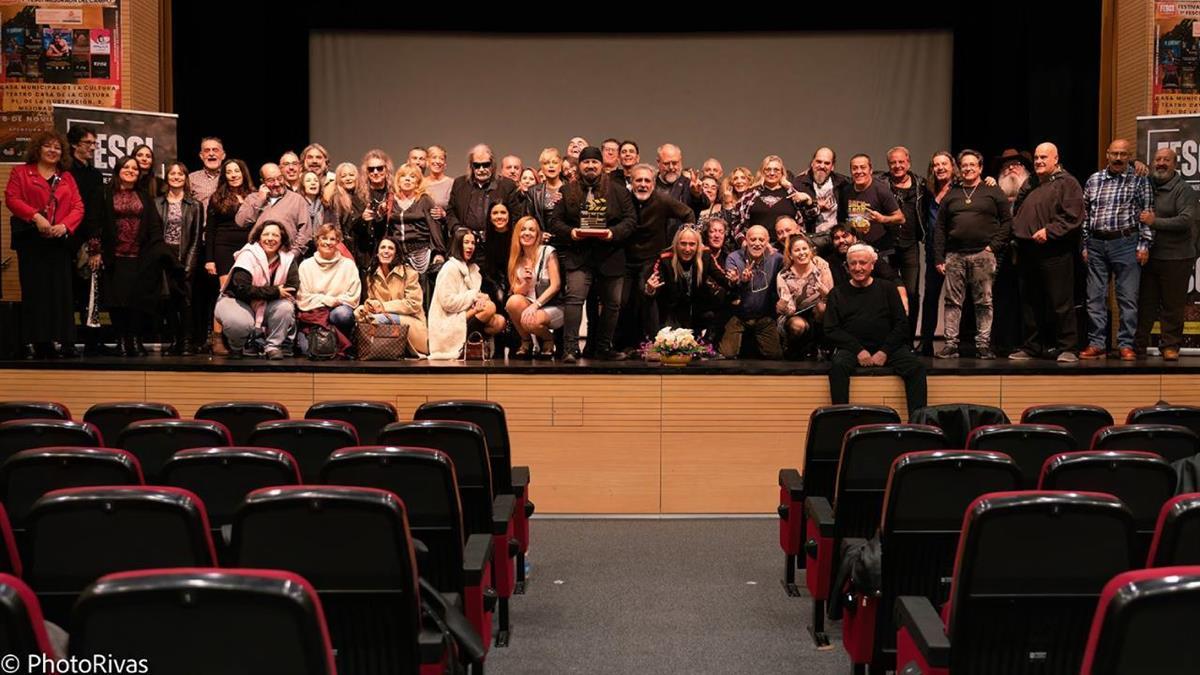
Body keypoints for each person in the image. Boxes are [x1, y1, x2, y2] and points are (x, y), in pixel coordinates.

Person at [549, 146, 637, 361]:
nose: (590, 166)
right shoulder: (568, 191)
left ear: (601, 165)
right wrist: (571, 232)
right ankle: (570, 349)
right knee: (574, 300)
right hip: (579, 257)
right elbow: (555, 222)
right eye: (586, 162)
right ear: (579, 166)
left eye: (594, 162)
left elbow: (631, 220)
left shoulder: (619, 191)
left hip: (611, 256)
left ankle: (603, 348)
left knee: (612, 304)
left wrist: (612, 233)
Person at [5, 130, 84, 358]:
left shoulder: (66, 177)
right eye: (48, 146)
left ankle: (65, 340)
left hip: (58, 242)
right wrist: (36, 217)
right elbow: (12, 198)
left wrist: (65, 226)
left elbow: (78, 207)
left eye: (57, 147)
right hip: (32, 242)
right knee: (36, 292)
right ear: (38, 149)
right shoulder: (21, 172)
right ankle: (41, 342)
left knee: (60, 293)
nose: (53, 151)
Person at [824, 243, 927, 412]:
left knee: (916, 368)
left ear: (872, 265)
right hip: (852, 349)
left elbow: (902, 324)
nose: (858, 268)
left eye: (863, 263)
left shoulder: (887, 288)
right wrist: (859, 350)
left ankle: (918, 423)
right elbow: (831, 329)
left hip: (888, 348)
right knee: (837, 367)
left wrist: (884, 351)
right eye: (853, 263)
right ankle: (840, 421)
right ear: (847, 266)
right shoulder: (837, 293)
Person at [932, 149, 1012, 360]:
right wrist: (939, 257)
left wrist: (992, 247)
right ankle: (950, 345)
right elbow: (940, 228)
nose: (967, 168)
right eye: (964, 165)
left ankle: (983, 345)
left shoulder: (993, 191)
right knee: (952, 302)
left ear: (980, 168)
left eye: (972, 165)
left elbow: (1007, 222)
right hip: (954, 255)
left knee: (984, 302)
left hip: (982, 255)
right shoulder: (952, 194)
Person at [1009, 142, 1085, 363]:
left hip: (1054, 250)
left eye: (1044, 158)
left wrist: (1050, 231)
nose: (1039, 161)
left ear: (1056, 159)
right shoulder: (1032, 181)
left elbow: (1073, 216)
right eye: (1037, 158)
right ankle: (1032, 346)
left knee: (1061, 301)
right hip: (1027, 249)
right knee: (1030, 302)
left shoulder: (1068, 183)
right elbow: (1020, 208)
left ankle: (1069, 347)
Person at [1080, 139, 1154, 361]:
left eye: (1123, 154)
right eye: (1115, 154)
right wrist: (1084, 244)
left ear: (1129, 156)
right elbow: (1086, 215)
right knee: (1095, 298)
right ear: (1107, 155)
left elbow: (1147, 214)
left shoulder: (1139, 179)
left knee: (1127, 298)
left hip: (1126, 242)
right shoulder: (1094, 180)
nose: (1119, 158)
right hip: (1096, 243)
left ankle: (1125, 344)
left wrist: (1144, 245)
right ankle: (1097, 344)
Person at [619, 162, 697, 350]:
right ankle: (624, 345)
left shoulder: (663, 200)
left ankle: (655, 345)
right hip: (626, 260)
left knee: (647, 295)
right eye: (639, 180)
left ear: (653, 184)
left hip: (651, 259)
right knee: (622, 301)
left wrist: (678, 243)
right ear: (631, 182)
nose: (643, 184)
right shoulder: (624, 200)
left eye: (647, 181)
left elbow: (688, 214)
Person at [101, 156, 171, 357]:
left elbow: (154, 225)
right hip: (114, 256)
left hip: (139, 256)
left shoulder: (143, 195)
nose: (131, 170)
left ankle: (135, 339)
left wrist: (156, 252)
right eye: (126, 167)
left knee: (137, 301)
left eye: (135, 168)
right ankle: (122, 341)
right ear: (118, 170)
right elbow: (96, 222)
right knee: (117, 301)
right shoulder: (105, 193)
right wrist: (96, 251)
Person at [1135, 147, 1197, 360]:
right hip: (1150, 255)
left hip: (1177, 256)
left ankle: (1170, 346)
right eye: (1158, 159)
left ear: (1175, 164)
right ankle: (1138, 346)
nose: (1161, 163)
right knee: (1146, 304)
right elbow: (1127, 165)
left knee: (1172, 305)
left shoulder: (1183, 189)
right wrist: (1136, 162)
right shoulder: (1148, 183)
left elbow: (1186, 219)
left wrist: (1155, 222)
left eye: (1166, 160)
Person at [214, 221, 299, 360]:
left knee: (285, 307)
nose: (270, 238)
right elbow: (242, 289)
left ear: (281, 239)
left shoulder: (288, 259)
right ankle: (237, 346)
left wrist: (265, 292)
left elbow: (292, 288)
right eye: (266, 234)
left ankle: (272, 346)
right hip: (237, 301)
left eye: (275, 235)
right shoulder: (247, 255)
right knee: (239, 323)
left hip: (267, 305)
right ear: (259, 237)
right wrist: (275, 291)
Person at [645, 224, 732, 341]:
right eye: (683, 243)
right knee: (674, 344)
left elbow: (723, 279)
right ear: (677, 244)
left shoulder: (705, 254)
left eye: (692, 244)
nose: (687, 249)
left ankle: (707, 338)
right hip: (673, 310)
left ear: (698, 246)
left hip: (698, 308)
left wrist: (734, 280)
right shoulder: (665, 258)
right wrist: (650, 289)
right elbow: (655, 285)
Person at [204, 158, 255, 355]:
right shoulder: (217, 197)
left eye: (237, 171)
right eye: (229, 172)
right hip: (224, 247)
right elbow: (210, 230)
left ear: (243, 173)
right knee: (225, 294)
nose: (233, 175)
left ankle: (244, 339)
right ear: (224, 176)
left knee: (246, 291)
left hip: (247, 248)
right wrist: (209, 259)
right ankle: (217, 339)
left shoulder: (254, 195)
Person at [428, 229, 506, 359]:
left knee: (500, 321)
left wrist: (483, 298)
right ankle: (463, 345)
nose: (470, 246)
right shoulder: (449, 268)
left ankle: (473, 343)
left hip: (466, 313)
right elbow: (448, 303)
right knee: (489, 308)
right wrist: (475, 296)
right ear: (458, 244)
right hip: (448, 319)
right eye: (466, 242)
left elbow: (477, 296)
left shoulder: (474, 269)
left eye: (473, 243)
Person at [445, 144, 523, 269]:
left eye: (485, 165)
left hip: (497, 247)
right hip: (467, 246)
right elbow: (451, 211)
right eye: (477, 165)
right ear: (471, 166)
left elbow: (516, 215)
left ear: (492, 165)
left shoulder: (507, 186)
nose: (481, 169)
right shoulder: (460, 184)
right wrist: (457, 229)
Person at [154, 160, 203, 355]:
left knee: (186, 300)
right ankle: (174, 340)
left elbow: (196, 237)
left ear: (185, 178)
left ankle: (186, 342)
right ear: (167, 177)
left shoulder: (195, 205)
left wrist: (189, 264)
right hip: (164, 256)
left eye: (180, 174)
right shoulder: (157, 203)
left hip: (185, 256)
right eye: (173, 174)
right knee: (168, 301)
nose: (176, 177)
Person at [66, 124, 107, 355]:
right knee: (66, 292)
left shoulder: (94, 174)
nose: (92, 147)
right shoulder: (64, 173)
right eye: (87, 143)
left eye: (94, 143)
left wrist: (94, 245)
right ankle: (67, 341)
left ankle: (91, 341)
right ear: (74, 145)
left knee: (89, 291)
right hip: (65, 239)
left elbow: (95, 212)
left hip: (86, 240)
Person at [354, 237, 429, 357]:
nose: (386, 251)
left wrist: (383, 307)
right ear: (377, 253)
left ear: (396, 253)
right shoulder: (372, 275)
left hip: (410, 321)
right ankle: (373, 350)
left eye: (390, 248)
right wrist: (370, 305)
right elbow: (373, 300)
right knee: (358, 313)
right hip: (382, 316)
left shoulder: (409, 273)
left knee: (379, 319)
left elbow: (413, 304)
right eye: (383, 247)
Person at [880, 146, 927, 331]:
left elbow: (947, 185)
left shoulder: (921, 184)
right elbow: (853, 178)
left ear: (908, 163)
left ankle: (908, 338)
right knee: (887, 293)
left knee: (912, 293)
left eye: (901, 162)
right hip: (886, 245)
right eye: (893, 162)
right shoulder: (881, 182)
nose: (897, 166)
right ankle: (889, 336)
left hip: (910, 245)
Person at [720, 224, 783, 359]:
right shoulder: (734, 258)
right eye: (753, 239)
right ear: (746, 241)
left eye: (761, 240)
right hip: (739, 316)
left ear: (767, 242)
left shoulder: (777, 258)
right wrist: (740, 281)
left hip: (764, 317)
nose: (757, 243)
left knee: (775, 357)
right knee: (727, 354)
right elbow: (730, 286)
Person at [297, 224, 360, 357]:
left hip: (337, 312)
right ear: (317, 240)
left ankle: (342, 343)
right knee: (306, 350)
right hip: (315, 316)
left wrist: (331, 302)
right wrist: (329, 300)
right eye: (324, 238)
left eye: (332, 239)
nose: (328, 242)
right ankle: (333, 344)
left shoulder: (348, 265)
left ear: (338, 242)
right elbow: (303, 297)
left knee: (342, 314)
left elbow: (353, 296)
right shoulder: (306, 265)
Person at [918, 151, 958, 355]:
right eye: (936, 165)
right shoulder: (928, 190)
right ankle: (926, 343)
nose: (940, 168)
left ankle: (958, 343)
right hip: (933, 251)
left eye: (944, 164)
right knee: (930, 298)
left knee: (957, 299)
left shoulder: (961, 188)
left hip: (955, 251)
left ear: (952, 167)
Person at [505, 216, 562, 358]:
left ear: (538, 234)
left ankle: (549, 339)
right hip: (529, 305)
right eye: (523, 229)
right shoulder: (516, 259)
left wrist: (535, 305)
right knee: (512, 302)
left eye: (531, 230)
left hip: (552, 306)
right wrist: (526, 282)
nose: (527, 233)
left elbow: (556, 285)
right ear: (517, 233)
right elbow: (516, 291)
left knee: (530, 322)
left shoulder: (547, 251)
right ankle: (526, 341)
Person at [388, 163, 446, 305]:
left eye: (412, 177)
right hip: (398, 255)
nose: (407, 179)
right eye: (403, 176)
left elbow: (435, 227)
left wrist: (439, 252)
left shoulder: (424, 200)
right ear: (398, 180)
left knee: (421, 294)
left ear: (418, 182)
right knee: (400, 294)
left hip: (420, 253)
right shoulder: (391, 201)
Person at [728, 155, 808, 244]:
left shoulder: (792, 193)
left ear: (782, 172)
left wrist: (808, 200)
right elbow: (735, 222)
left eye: (776, 170)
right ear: (762, 172)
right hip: (758, 248)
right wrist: (743, 242)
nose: (772, 173)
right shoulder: (750, 194)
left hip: (787, 248)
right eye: (768, 169)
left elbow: (809, 219)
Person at [776, 233, 833, 357]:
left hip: (818, 314)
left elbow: (832, 300)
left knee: (822, 307)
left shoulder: (821, 267)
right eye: (797, 250)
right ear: (791, 255)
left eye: (804, 248)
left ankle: (820, 347)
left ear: (810, 250)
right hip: (794, 315)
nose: (802, 253)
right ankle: (794, 349)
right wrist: (784, 306)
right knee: (798, 325)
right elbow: (790, 309)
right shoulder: (784, 275)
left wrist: (826, 294)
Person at [236, 163, 312, 255]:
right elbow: (241, 222)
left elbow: (305, 232)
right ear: (262, 182)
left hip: (286, 254)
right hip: (257, 255)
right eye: (271, 180)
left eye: (280, 178)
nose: (277, 183)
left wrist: (293, 254)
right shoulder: (253, 198)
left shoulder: (297, 199)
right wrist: (259, 201)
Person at [794, 147, 851, 247]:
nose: (822, 166)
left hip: (836, 239)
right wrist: (815, 205)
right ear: (812, 163)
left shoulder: (843, 183)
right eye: (818, 162)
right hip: (809, 239)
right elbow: (795, 215)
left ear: (832, 166)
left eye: (827, 163)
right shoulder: (799, 183)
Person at [524, 147, 566, 235]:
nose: (551, 166)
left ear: (560, 166)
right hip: (542, 242)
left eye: (555, 163)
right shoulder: (533, 192)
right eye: (546, 163)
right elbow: (528, 219)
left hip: (567, 243)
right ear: (542, 168)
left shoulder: (570, 189)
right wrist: (540, 234)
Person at [188, 136, 225, 207]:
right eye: (207, 150)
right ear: (201, 156)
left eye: (215, 150)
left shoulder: (232, 177)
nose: (211, 154)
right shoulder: (191, 179)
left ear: (223, 155)